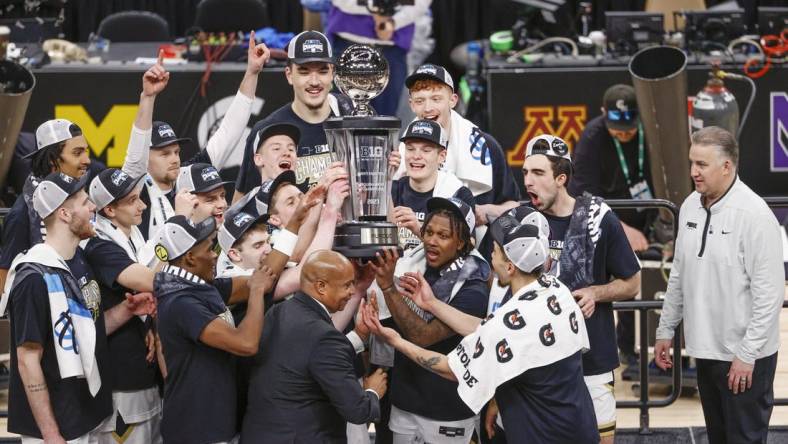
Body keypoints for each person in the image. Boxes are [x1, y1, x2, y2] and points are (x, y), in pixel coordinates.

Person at [363, 211, 599, 443]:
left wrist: (396, 341)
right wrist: (432, 304)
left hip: (542, 435)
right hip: (581, 426)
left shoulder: (508, 325)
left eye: (494, 251)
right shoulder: (556, 289)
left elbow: (451, 368)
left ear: (510, 268)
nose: (490, 257)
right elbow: (489, 328)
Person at [0, 172, 155, 443]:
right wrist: (50, 434)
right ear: (64, 214)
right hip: (56, 428)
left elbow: (86, 330)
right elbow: (28, 360)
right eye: (85, 203)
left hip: (87, 416)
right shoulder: (33, 277)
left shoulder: (80, 259)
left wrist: (127, 311)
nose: (93, 207)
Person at [654, 126, 784, 444]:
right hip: (706, 352)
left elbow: (770, 295)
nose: (693, 172)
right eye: (692, 163)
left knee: (745, 439)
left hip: (745, 357)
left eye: (702, 165)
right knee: (718, 437)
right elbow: (679, 276)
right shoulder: (688, 207)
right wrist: (664, 330)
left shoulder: (755, 215)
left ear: (727, 166)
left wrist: (747, 354)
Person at [521, 134, 641, 443]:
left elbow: (633, 283)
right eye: (525, 173)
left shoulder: (600, 219)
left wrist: (595, 293)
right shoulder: (522, 223)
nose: (528, 182)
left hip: (592, 360)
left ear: (561, 178)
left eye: (538, 173)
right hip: (536, 364)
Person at [123, 36, 271, 239]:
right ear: (146, 158)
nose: (174, 158)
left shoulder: (188, 177)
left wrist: (252, 72)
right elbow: (135, 156)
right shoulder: (134, 190)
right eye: (164, 154)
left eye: (176, 151)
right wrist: (147, 98)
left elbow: (229, 133)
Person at [370, 197, 490, 444]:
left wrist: (388, 287)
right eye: (429, 232)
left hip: (447, 411)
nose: (432, 241)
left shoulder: (472, 285)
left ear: (461, 243)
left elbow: (422, 336)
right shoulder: (411, 263)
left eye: (443, 236)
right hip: (405, 401)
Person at [153, 215, 278, 444]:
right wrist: (258, 292)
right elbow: (246, 344)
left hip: (212, 420)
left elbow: (263, 278)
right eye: (210, 249)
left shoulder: (200, 287)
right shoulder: (181, 302)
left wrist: (296, 226)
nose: (214, 255)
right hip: (196, 428)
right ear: (190, 257)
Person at [241, 250, 387, 442]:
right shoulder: (324, 336)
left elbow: (309, 361)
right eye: (347, 285)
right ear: (321, 287)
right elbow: (358, 411)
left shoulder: (278, 311)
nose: (352, 292)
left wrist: (359, 335)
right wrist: (372, 392)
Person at [569, 84, 655, 372]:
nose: (624, 133)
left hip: (651, 216)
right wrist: (622, 228)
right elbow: (583, 193)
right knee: (622, 279)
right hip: (610, 221)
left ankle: (659, 347)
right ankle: (626, 349)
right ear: (604, 114)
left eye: (630, 127)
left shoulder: (651, 131)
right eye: (618, 128)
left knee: (655, 279)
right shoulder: (593, 137)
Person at [392, 64, 520, 256]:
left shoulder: (485, 147)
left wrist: (487, 211)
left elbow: (515, 208)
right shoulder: (401, 153)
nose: (428, 108)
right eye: (420, 101)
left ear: (452, 100)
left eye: (436, 99)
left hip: (474, 260)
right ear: (411, 104)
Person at [84, 168, 164, 443]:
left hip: (141, 375)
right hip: (120, 382)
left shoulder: (132, 237)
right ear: (108, 210)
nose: (142, 205)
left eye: (140, 197)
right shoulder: (99, 246)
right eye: (132, 201)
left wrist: (151, 325)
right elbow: (147, 280)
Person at [234, 30, 355, 202]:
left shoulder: (352, 114)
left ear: (332, 74)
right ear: (289, 75)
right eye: (304, 72)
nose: (314, 81)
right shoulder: (267, 131)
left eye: (322, 71)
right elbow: (240, 209)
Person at [325, 0, 432, 116]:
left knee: (384, 120)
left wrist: (393, 21)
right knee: (341, 114)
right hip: (348, 38)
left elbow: (421, 3)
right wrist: (376, 9)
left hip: (392, 46)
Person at [390, 119, 475, 250]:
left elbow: (468, 248)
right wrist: (386, 179)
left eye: (426, 150)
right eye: (410, 149)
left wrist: (419, 229)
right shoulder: (392, 188)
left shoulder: (457, 193)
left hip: (436, 270)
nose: (416, 156)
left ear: (441, 156)